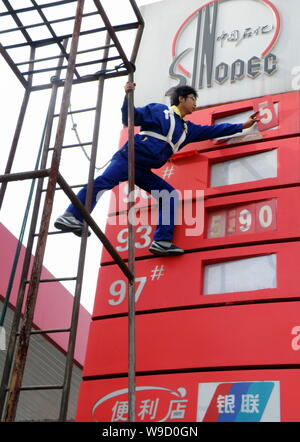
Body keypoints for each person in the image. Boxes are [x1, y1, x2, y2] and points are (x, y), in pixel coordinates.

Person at [54, 82, 259, 256]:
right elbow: (130, 117)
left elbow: (213, 130)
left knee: (169, 195)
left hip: (144, 168)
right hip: (130, 157)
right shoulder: (159, 111)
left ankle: (161, 242)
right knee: (102, 182)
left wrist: (242, 125)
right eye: (192, 99)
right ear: (181, 99)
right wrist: (128, 96)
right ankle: (72, 216)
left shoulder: (187, 130)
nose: (195, 104)